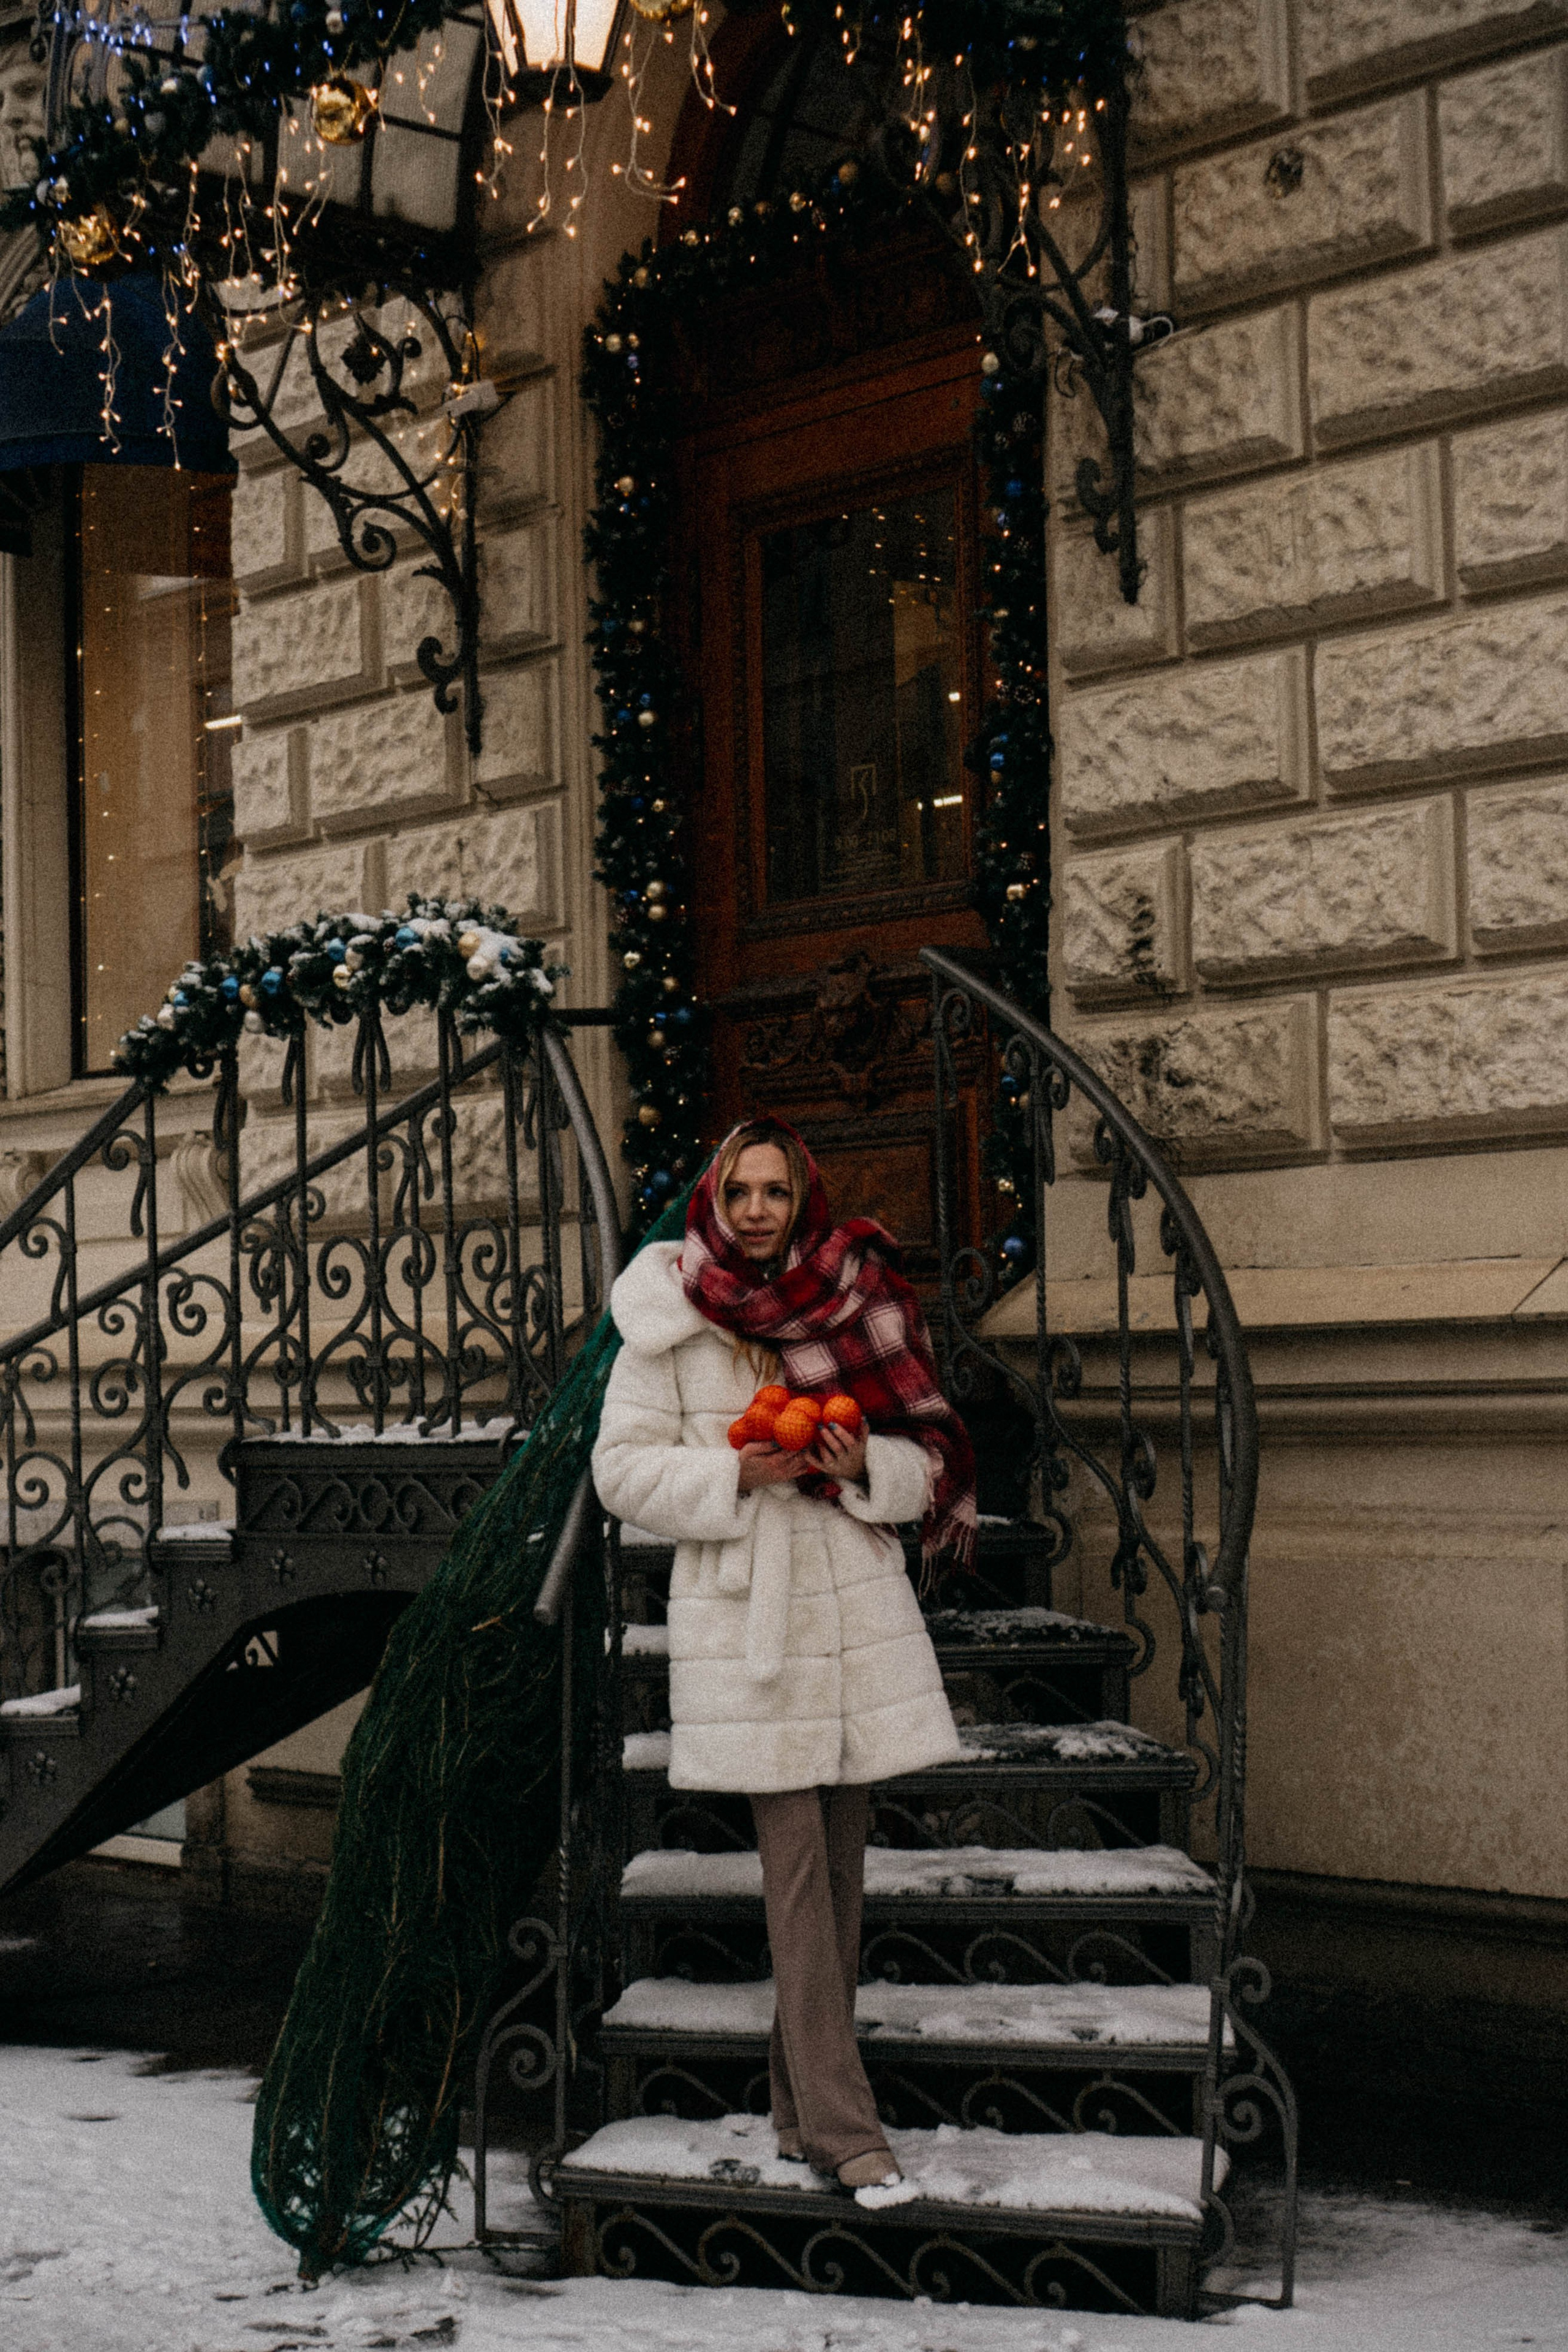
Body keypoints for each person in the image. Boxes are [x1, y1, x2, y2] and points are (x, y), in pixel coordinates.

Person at [592, 1115, 976, 2192]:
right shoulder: (669, 1318)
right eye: (739, 1192)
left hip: (851, 1614)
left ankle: (799, 2110)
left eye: (774, 1192)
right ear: (712, 1202)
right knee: (799, 1880)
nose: (757, 1211)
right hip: (750, 1623)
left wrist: (862, 1468)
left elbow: (928, 1458)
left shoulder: (859, 1300)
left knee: (841, 1880)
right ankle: (851, 2134)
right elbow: (620, 1471)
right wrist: (734, 1476)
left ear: (801, 1198)